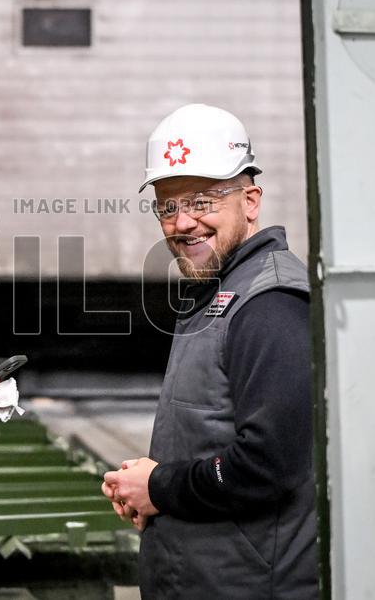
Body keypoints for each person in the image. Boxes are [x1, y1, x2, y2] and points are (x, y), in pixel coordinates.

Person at [101, 104, 318, 598]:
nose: (182, 222)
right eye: (167, 207)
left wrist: (159, 487)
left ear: (251, 201)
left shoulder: (270, 303)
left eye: (201, 202)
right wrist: (148, 480)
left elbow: (268, 465)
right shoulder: (221, 292)